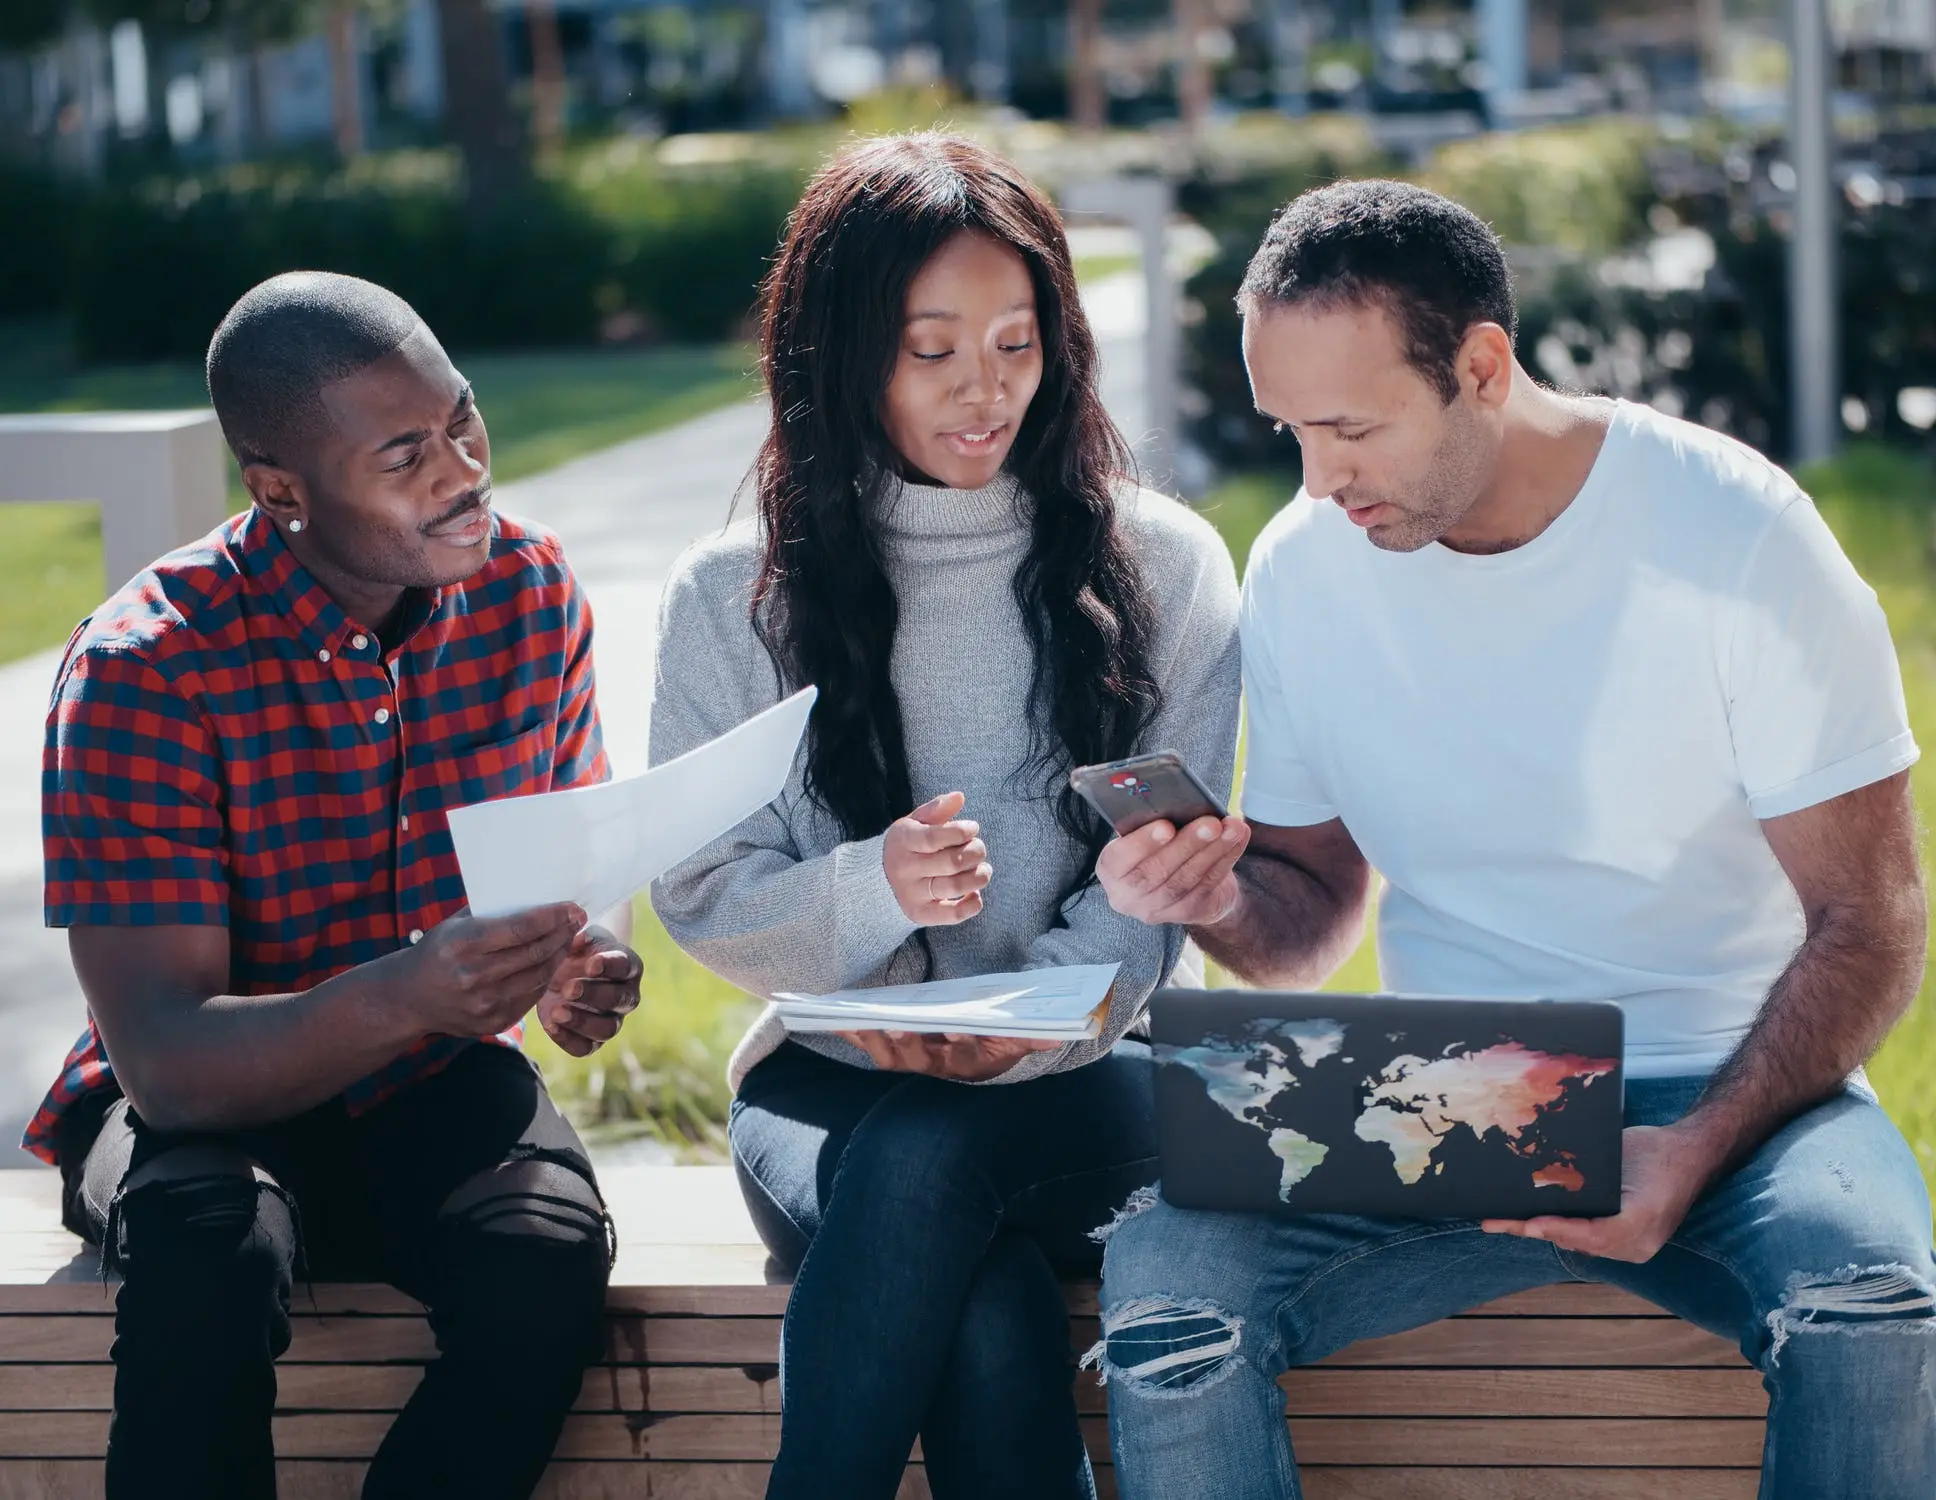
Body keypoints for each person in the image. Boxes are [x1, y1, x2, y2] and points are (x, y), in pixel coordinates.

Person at [1089, 180, 1936, 1499]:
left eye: (1352, 429)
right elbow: (1312, 918)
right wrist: (1202, 893)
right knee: (1164, 1291)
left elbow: (1875, 919)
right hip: (1447, 1091)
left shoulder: (1737, 536)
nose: (1320, 481)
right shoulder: (1308, 567)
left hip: (1742, 1087)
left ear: (1482, 368)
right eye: (1291, 432)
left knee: (1869, 1312)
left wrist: (1696, 1144)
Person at [647, 133, 1240, 1500]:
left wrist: (1015, 1033)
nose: (987, 390)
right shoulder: (730, 595)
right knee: (976, 1295)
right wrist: (872, 895)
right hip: (823, 1087)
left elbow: (1146, 894)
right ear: (842, 354)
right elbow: (706, 892)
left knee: (931, 1161)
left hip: (1098, 1079)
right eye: (933, 351)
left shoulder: (1165, 566)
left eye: (1017, 341)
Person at [26, 271, 645, 1500]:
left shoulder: (527, 589)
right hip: (207, 1108)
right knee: (207, 1254)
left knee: (546, 1257)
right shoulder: (145, 669)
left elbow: (583, 845)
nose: (463, 466)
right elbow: (164, 1061)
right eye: (405, 452)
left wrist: (584, 956)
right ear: (280, 492)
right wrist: (414, 989)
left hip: (425, 1082)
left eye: (462, 417)